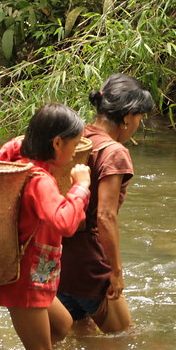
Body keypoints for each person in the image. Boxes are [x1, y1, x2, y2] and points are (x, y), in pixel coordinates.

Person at [0, 104, 91, 350]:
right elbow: (65, 223)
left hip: (32, 274)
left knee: (62, 325)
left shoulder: (18, 162)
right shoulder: (40, 180)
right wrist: (81, 186)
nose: (74, 152)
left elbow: (8, 148)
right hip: (25, 280)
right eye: (74, 144)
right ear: (57, 143)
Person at [58, 74, 153, 334]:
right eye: (140, 118)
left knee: (82, 333)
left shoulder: (76, 138)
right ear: (128, 115)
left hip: (58, 258)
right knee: (125, 338)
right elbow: (105, 216)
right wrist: (116, 271)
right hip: (89, 261)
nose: (138, 124)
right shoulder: (114, 152)